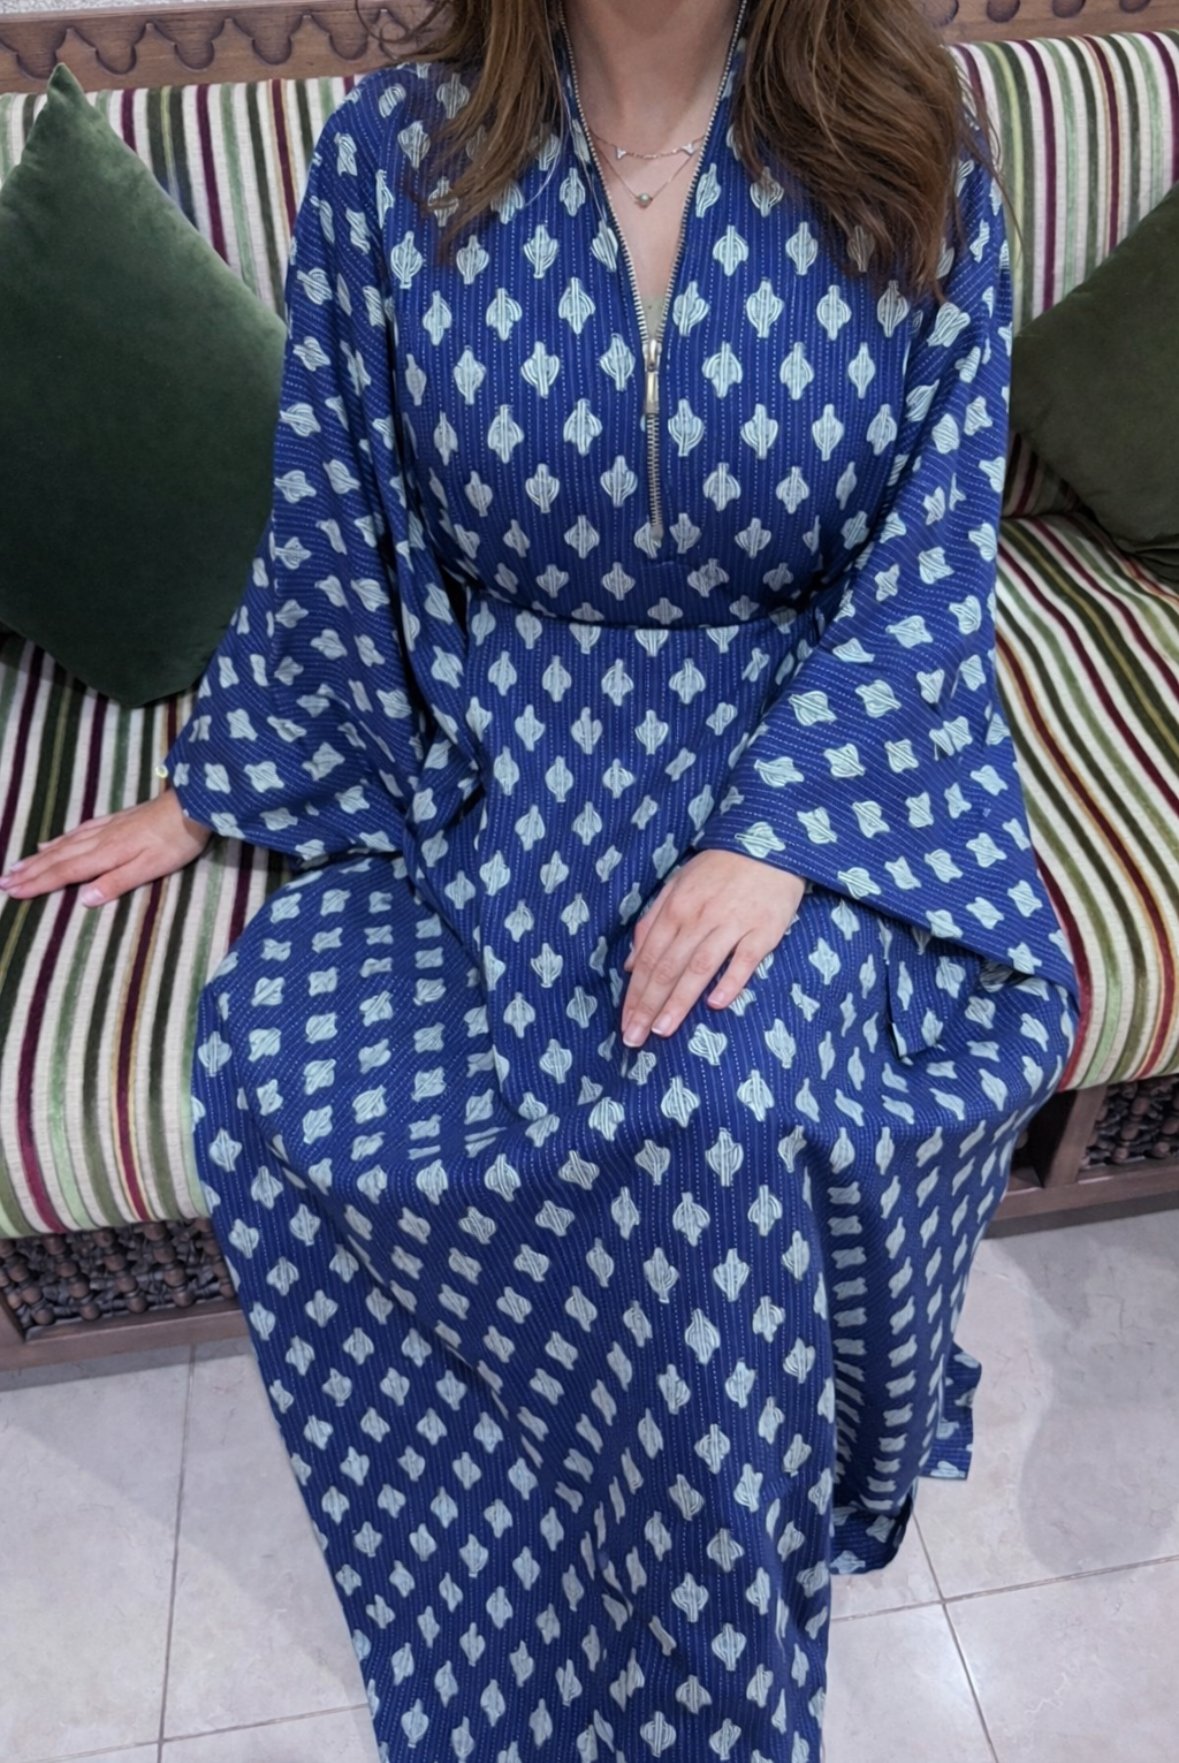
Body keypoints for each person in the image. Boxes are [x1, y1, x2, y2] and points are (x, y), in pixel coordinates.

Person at [2, 1, 1081, 1755]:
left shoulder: (913, 144)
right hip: (505, 729)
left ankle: (719, 1670)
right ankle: (528, 1578)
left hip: (806, 735)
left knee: (719, 1107)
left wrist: (781, 838)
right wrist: (218, 787)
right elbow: (334, 501)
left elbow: (935, 544)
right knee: (296, 1077)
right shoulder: (394, 152)